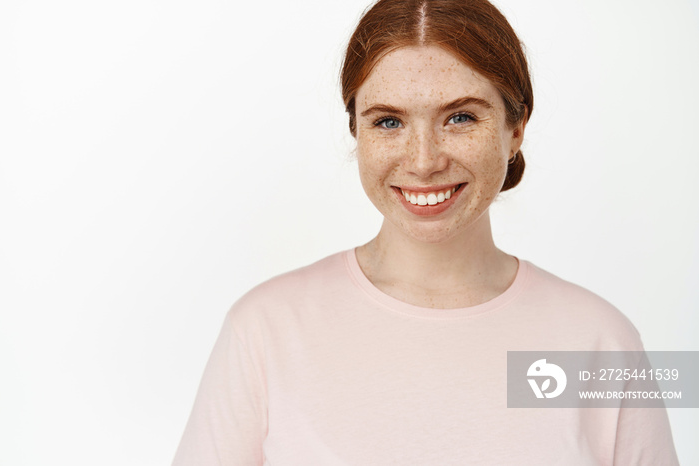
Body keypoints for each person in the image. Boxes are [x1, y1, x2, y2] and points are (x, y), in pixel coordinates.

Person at [172, 0, 679, 464]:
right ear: (357, 131)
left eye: (459, 117)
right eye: (388, 122)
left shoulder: (599, 341)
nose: (423, 161)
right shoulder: (266, 331)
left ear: (515, 128)